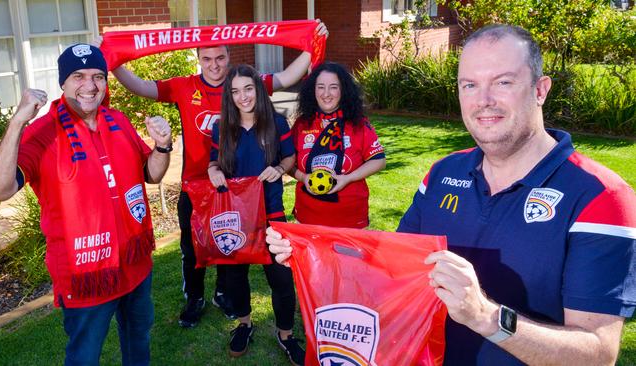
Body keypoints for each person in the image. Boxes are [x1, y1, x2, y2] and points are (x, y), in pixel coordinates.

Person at [266, 24, 636, 365]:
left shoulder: (600, 197)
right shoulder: (442, 173)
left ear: (540, 90)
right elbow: (389, 267)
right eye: (469, 85)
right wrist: (311, 253)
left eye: (503, 82)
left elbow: (598, 354)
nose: (483, 100)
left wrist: (486, 317)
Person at [107, 21, 328, 328]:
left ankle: (225, 294)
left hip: (235, 188)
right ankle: (195, 298)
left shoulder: (244, 85)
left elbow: (289, 76)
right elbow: (142, 87)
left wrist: (312, 39)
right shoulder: (184, 86)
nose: (214, 65)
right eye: (207, 58)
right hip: (195, 186)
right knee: (192, 246)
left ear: (229, 55)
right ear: (198, 58)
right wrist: (113, 61)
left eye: (220, 57)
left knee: (230, 243)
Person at [0, 44, 172, 365]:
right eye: (79, 76)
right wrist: (17, 121)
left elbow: (151, 174)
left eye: (98, 76)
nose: (90, 85)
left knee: (138, 338)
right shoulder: (41, 133)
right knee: (84, 357)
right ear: (64, 82)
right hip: (87, 276)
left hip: (134, 264)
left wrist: (163, 146)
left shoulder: (118, 120)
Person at [207, 64, 304, 364]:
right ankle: (245, 323)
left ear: (258, 89)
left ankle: (286, 334)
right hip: (235, 216)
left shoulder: (276, 123)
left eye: (248, 89)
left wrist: (279, 168)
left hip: (271, 214)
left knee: (282, 279)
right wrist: (213, 172)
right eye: (235, 91)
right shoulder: (221, 127)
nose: (243, 96)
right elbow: (214, 163)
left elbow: (290, 158)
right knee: (235, 277)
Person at [290, 62, 385, 228]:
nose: (326, 93)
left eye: (333, 87)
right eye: (320, 87)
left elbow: (379, 161)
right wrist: (304, 177)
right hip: (308, 215)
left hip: (350, 216)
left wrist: (347, 179)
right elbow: (286, 163)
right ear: (313, 90)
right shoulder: (302, 124)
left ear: (343, 91)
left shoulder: (359, 124)